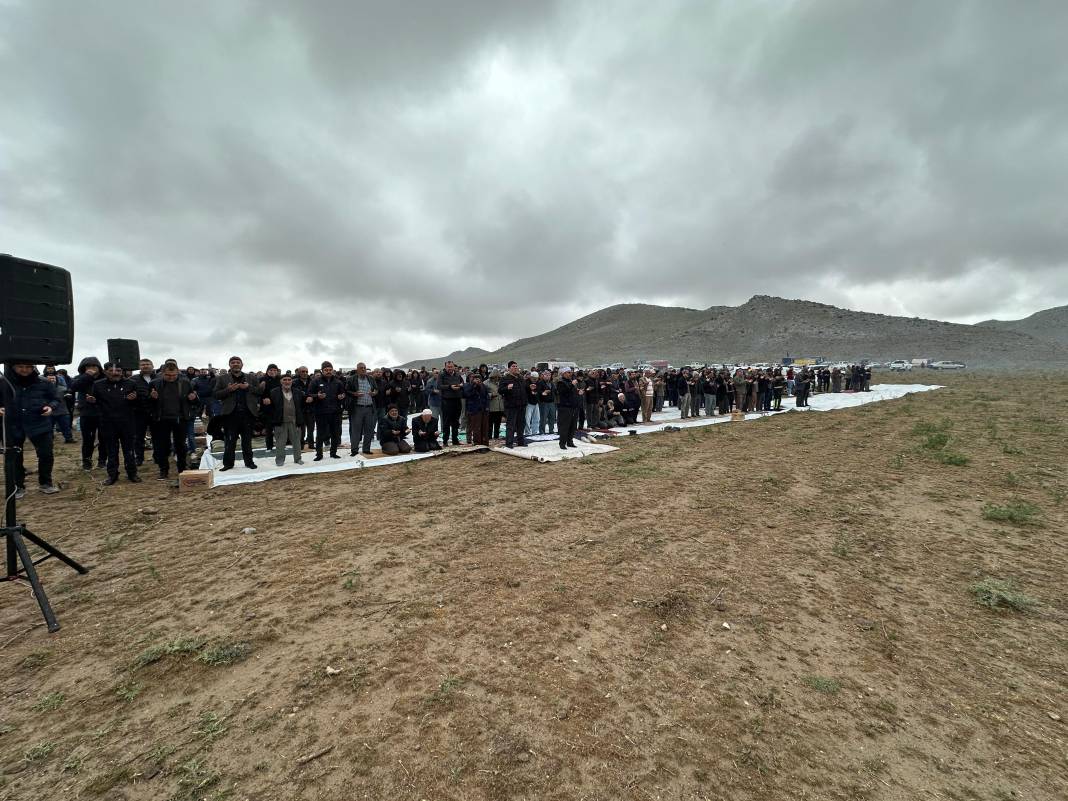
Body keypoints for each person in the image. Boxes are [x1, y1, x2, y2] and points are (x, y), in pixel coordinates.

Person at [1, 362, 61, 497]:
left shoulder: (44, 382)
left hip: (39, 423)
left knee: (46, 454)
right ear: (13, 367)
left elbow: (56, 399)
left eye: (28, 367)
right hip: (13, 424)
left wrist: (51, 407)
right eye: (20, 366)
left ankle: (46, 483)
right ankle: (18, 486)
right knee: (15, 457)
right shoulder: (4, 383)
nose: (24, 370)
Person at [88, 362, 142, 484]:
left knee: (129, 450)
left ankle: (132, 473)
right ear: (105, 371)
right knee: (111, 451)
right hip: (108, 423)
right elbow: (95, 403)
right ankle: (112, 475)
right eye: (111, 371)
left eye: (118, 370)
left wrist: (134, 399)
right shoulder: (98, 385)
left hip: (127, 422)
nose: (115, 373)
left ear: (122, 371)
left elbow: (138, 404)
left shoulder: (131, 384)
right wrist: (92, 401)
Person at [147, 363, 197, 479]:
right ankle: (164, 470)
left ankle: (182, 468)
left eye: (174, 375)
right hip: (161, 419)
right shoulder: (154, 383)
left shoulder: (185, 383)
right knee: (162, 446)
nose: (171, 377)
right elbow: (148, 402)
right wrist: (152, 398)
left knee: (181, 446)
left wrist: (193, 398)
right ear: (162, 373)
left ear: (178, 372)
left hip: (180, 418)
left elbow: (193, 400)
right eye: (168, 375)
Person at [213, 356, 262, 471]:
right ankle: (228, 464)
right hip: (230, 415)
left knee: (247, 441)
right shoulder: (222, 378)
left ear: (242, 364)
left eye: (237, 362)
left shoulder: (251, 377)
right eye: (233, 362)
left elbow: (259, 391)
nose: (235, 364)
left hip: (247, 414)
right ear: (229, 365)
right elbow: (215, 394)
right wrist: (228, 390)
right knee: (230, 441)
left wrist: (248, 387)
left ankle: (249, 462)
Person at [69, 356, 107, 470]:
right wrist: (87, 376)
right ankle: (87, 463)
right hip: (87, 413)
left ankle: (102, 461)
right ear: (83, 368)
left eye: (94, 366)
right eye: (88, 366)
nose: (91, 368)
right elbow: (73, 387)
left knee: (104, 438)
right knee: (87, 440)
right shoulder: (80, 378)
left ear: (99, 367)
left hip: (102, 413)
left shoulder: (105, 378)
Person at [308, 361, 346, 460]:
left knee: (335, 434)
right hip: (321, 412)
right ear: (322, 371)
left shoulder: (338, 382)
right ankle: (319, 454)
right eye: (326, 370)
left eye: (330, 370)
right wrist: (317, 396)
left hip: (335, 412)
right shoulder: (315, 381)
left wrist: (342, 396)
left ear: (332, 370)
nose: (328, 372)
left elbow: (343, 394)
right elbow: (309, 394)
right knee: (320, 435)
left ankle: (333, 453)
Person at [268, 374, 304, 466]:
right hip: (280, 421)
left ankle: (298, 459)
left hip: (294, 421)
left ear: (292, 381)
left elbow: (302, 406)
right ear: (281, 381)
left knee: (296, 442)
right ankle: (280, 460)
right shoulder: (274, 392)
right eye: (284, 380)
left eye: (289, 380)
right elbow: (270, 408)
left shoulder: (297, 392)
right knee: (280, 443)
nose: (287, 382)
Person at [345, 362, 377, 456]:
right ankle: (354, 450)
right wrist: (354, 394)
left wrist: (374, 393)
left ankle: (366, 449)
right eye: (361, 368)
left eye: (364, 368)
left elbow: (376, 389)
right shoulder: (351, 379)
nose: (363, 369)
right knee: (356, 430)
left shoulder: (370, 378)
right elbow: (346, 391)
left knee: (369, 430)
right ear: (357, 369)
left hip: (369, 407)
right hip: (357, 408)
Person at [131, 358, 156, 465]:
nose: (145, 366)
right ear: (139, 367)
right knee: (138, 436)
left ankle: (157, 456)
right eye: (143, 364)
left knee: (157, 436)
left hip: (156, 412)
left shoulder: (159, 378)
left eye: (147, 364)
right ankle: (139, 457)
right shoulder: (133, 379)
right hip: (139, 412)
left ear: (152, 366)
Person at [498, 361, 528, 448]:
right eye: (513, 366)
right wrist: (507, 388)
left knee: (521, 424)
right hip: (511, 405)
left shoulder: (521, 378)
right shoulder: (505, 378)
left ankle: (521, 442)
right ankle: (509, 443)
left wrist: (530, 388)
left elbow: (524, 389)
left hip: (522, 405)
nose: (515, 368)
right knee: (511, 425)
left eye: (516, 366)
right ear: (509, 368)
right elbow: (500, 390)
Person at [555, 366, 582, 449]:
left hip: (573, 407)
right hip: (565, 407)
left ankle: (570, 442)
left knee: (573, 426)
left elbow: (572, 393)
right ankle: (562, 443)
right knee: (565, 426)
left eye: (571, 372)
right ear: (563, 373)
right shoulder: (561, 382)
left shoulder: (570, 382)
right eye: (568, 372)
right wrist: (572, 385)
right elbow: (563, 392)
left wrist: (578, 392)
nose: (570, 374)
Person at [44, 373, 75, 443]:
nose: (52, 380)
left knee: (66, 427)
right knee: (48, 428)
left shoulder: (63, 388)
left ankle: (69, 439)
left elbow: (69, 397)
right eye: (50, 379)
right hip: (49, 412)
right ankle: (49, 440)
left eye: (53, 378)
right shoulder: (43, 389)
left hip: (62, 411)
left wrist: (69, 397)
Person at [439, 361, 464, 446]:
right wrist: (450, 387)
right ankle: (445, 441)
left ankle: (455, 440)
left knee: (456, 422)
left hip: (457, 400)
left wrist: (460, 385)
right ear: (445, 367)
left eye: (451, 367)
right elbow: (439, 386)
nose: (450, 368)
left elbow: (462, 383)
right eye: (448, 367)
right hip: (447, 401)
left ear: (454, 367)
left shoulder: (457, 375)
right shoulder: (442, 375)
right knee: (446, 422)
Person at [259, 364, 282, 451]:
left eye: (274, 370)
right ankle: (269, 446)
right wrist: (263, 398)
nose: (273, 372)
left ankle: (280, 445)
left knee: (279, 428)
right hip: (267, 408)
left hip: (278, 407)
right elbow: (258, 393)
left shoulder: (280, 379)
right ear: (267, 371)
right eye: (271, 370)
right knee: (269, 428)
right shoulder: (262, 379)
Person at [463, 371, 490, 446]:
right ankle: (477, 444)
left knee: (484, 427)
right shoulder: (468, 386)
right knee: (476, 428)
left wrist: (487, 407)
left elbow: (486, 397)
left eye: (479, 378)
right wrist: (474, 385)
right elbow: (467, 394)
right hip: (474, 410)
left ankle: (485, 443)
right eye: (475, 378)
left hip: (484, 409)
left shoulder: (483, 386)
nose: (477, 380)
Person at [486, 371, 504, 440]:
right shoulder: (486, 383)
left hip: (500, 406)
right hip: (491, 406)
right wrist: (491, 395)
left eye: (498, 377)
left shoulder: (501, 383)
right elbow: (483, 393)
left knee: (498, 423)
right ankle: (489, 437)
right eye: (495, 377)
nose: (497, 378)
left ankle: (496, 437)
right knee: (490, 424)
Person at [538, 370, 556, 434]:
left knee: (552, 417)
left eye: (549, 375)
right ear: (543, 376)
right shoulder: (540, 383)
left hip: (552, 402)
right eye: (546, 375)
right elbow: (538, 391)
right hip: (544, 402)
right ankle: (542, 431)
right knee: (543, 418)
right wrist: (543, 392)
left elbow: (554, 391)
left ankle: (551, 430)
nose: (548, 376)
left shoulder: (552, 383)